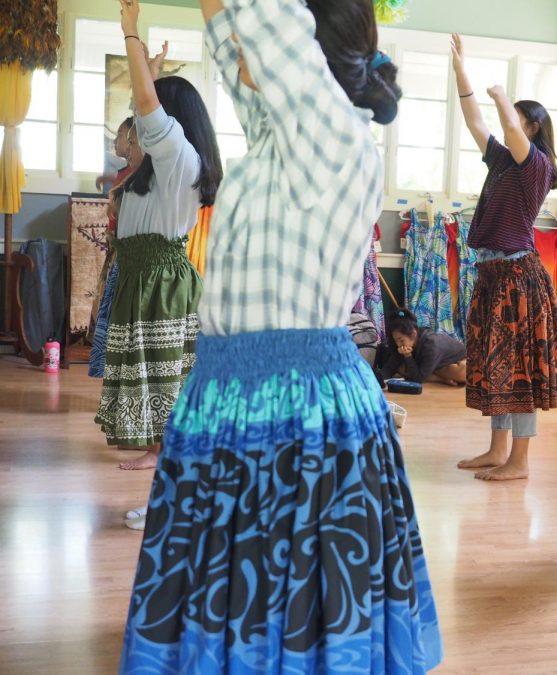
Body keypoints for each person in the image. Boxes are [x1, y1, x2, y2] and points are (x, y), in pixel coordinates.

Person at [118, 0, 442, 671]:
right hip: (240, 395)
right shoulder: (283, 133)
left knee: (282, 613)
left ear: (305, 49)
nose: (242, 54)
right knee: (235, 601)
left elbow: (265, 28)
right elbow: (239, 29)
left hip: (293, 413)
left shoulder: (332, 133)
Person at [94, 5, 221, 473]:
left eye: (153, 114)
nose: (143, 122)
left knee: (164, 371)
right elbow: (146, 108)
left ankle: (165, 450)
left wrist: (129, 32)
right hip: (144, 274)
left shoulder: (180, 156)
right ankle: (158, 446)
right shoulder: (159, 166)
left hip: (161, 278)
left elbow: (148, 109)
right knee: (150, 370)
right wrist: (149, 71)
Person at [451, 32, 557, 482]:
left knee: (519, 368)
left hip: (518, 276)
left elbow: (505, 127)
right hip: (494, 273)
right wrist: (462, 71)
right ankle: (496, 450)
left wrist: (503, 95)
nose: (509, 127)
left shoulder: (535, 166)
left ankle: (518, 463)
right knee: (497, 366)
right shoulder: (502, 161)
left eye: (518, 121)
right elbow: (475, 121)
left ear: (533, 128)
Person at [88, 120, 141, 379]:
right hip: (115, 244)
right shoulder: (125, 172)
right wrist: (109, 179)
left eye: (123, 136)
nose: (118, 142)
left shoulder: (136, 175)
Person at [379, 308, 467, 386]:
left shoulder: (431, 344)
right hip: (430, 367)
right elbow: (391, 365)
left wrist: (408, 356)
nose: (398, 344)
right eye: (396, 341)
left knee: (464, 373)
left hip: (454, 363)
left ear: (413, 334)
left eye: (401, 340)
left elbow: (417, 379)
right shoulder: (402, 342)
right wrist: (375, 380)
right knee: (402, 368)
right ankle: (440, 379)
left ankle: (431, 374)